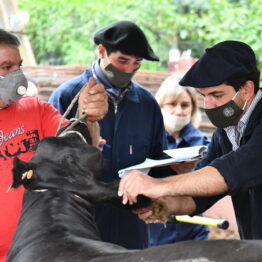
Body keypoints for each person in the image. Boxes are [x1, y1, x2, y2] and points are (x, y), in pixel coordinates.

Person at [118, 40, 262, 240]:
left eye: (216, 95)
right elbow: (197, 196)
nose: (209, 105)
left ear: (246, 89)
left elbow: (231, 171)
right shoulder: (226, 133)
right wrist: (159, 204)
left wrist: (158, 185)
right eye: (204, 96)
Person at [49, 20, 167, 249]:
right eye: (122, 60)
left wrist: (169, 179)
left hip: (132, 228)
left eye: (137, 63)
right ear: (102, 51)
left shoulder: (147, 104)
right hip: (80, 226)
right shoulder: (66, 97)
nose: (129, 69)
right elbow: (51, 168)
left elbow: (159, 160)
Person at [0, 29, 107, 261]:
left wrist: (89, 116)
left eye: (19, 67)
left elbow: (79, 142)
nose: (16, 76)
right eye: (6, 68)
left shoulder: (37, 109)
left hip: (43, 250)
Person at [149, 75, 210, 246]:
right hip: (155, 228)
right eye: (172, 104)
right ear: (160, 106)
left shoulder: (202, 142)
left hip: (193, 226)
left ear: (193, 108)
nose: (178, 111)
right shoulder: (149, 141)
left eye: (185, 105)